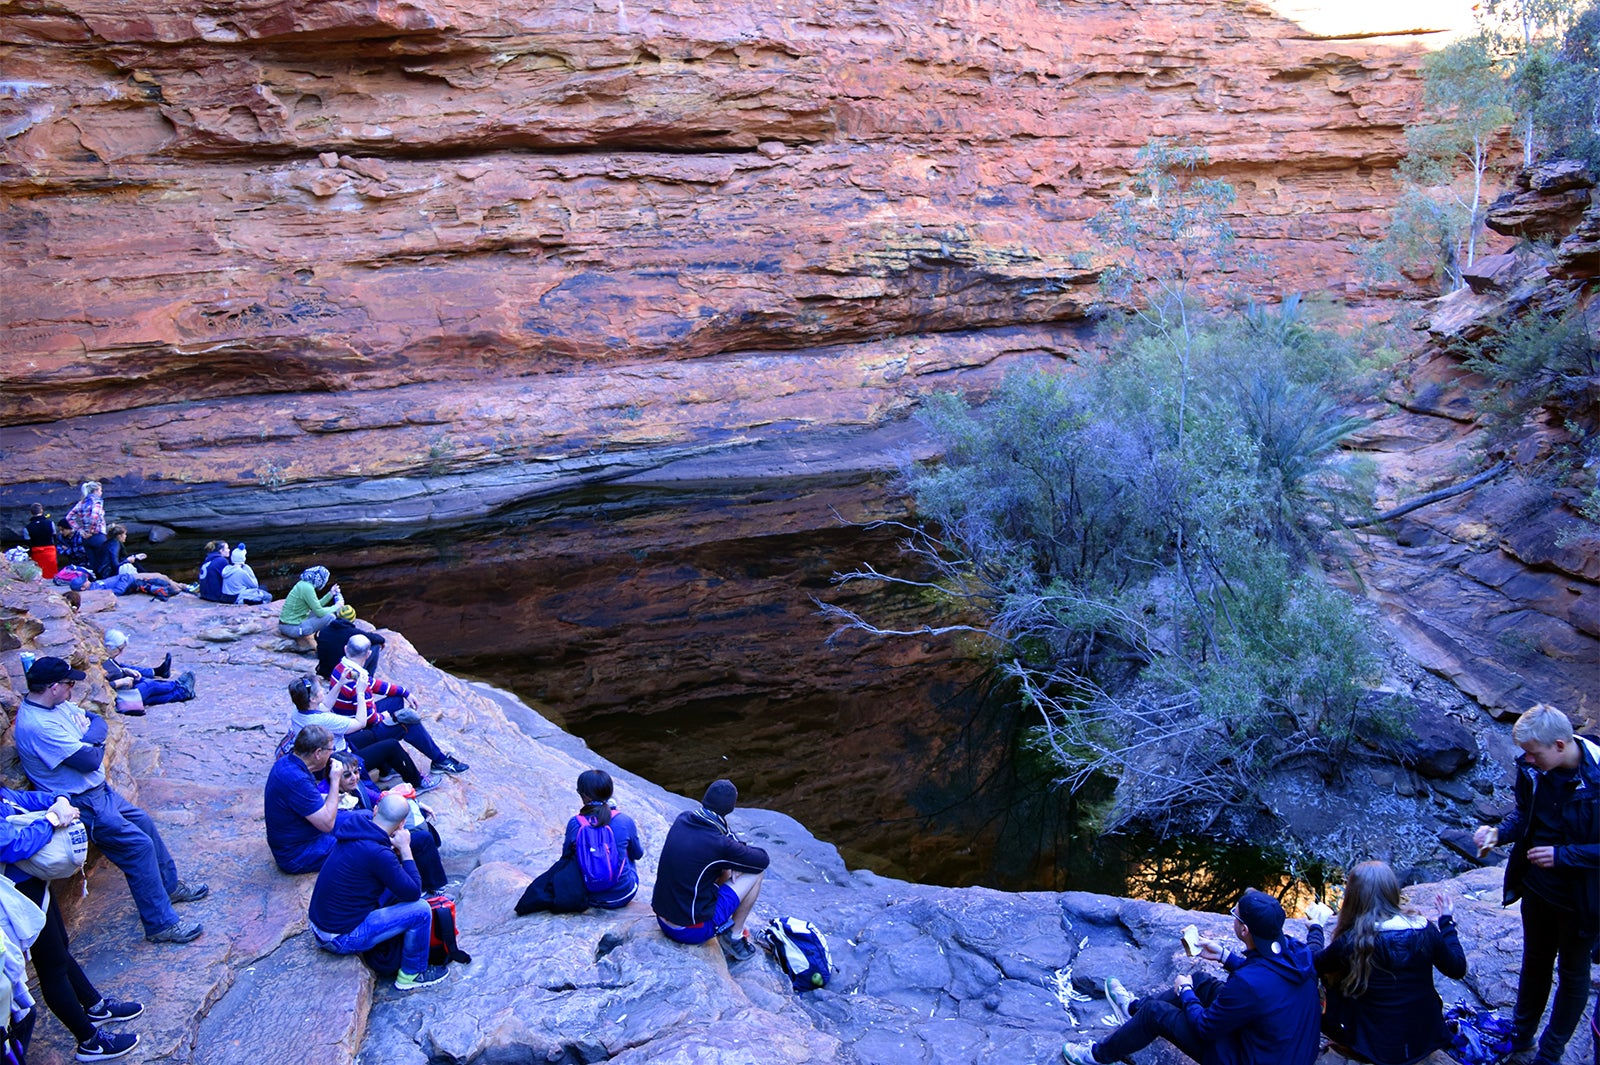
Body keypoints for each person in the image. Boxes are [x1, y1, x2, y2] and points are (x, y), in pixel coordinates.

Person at [14, 657, 207, 944]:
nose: (72, 690)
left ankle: (169, 887)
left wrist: (91, 735)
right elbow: (90, 759)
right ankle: (160, 924)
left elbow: (95, 721)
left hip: (99, 791)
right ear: (52, 687)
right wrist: (92, 737)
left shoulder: (57, 705)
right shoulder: (38, 726)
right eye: (68, 684)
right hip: (83, 802)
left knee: (143, 823)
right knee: (137, 848)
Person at [1061, 888, 1321, 1065]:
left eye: (1235, 915)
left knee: (1156, 1013)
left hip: (1251, 1058)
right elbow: (1268, 980)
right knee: (1201, 981)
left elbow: (1206, 1028)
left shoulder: (1248, 983)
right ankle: (1133, 1009)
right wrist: (1224, 956)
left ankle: (1097, 1056)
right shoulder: (1298, 953)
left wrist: (1185, 992)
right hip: (1283, 1050)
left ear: (1244, 929)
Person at [1472, 703, 1600, 1065]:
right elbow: (1525, 815)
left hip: (1582, 898)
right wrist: (1498, 833)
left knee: (1573, 973)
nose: (1527, 760)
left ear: (1560, 745)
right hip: (1538, 889)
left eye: (1533, 753)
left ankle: (1550, 1052)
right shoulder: (1534, 770)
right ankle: (1522, 1033)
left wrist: (1563, 856)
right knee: (1536, 960)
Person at [0, 786, 141, 1061]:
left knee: (60, 949)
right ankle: (90, 1042)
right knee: (51, 966)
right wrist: (51, 821)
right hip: (15, 895)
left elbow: (28, 799)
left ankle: (95, 1007)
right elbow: (10, 846)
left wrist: (60, 800)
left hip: (32, 884)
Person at [1312, 861, 1467, 1065]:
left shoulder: (1351, 941)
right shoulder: (1424, 930)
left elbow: (1313, 964)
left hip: (1370, 1045)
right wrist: (1446, 921)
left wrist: (1315, 927)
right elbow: (1457, 968)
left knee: (1321, 982)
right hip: (1421, 1038)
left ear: (1353, 897)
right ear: (1392, 891)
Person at [306, 792, 449, 991]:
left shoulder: (356, 827)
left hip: (320, 924)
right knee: (421, 910)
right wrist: (405, 848)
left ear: (375, 810)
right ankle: (412, 974)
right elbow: (413, 892)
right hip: (341, 937)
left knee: (394, 890)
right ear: (402, 823)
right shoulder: (379, 854)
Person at [651, 779, 768, 962]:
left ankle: (722, 920)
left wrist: (733, 857)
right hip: (690, 931)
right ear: (731, 807)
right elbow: (762, 860)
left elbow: (729, 840)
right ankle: (734, 937)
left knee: (724, 867)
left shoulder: (683, 819)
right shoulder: (718, 844)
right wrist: (736, 860)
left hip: (662, 918)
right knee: (755, 873)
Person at [329, 635, 469, 776]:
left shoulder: (342, 668)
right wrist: (383, 716)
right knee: (408, 723)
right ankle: (440, 761)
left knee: (396, 700)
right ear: (368, 654)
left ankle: (386, 762)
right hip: (358, 733)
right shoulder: (358, 683)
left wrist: (404, 692)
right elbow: (369, 719)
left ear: (346, 649)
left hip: (350, 724)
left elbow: (374, 684)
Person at [283, 675, 435, 793]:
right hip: (339, 762)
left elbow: (325, 705)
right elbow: (360, 723)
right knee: (391, 746)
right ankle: (417, 782)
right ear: (313, 698)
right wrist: (360, 693)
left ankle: (386, 770)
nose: (323, 689)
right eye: (320, 689)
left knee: (371, 735)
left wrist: (340, 683)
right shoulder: (324, 720)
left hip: (332, 753)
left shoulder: (298, 711)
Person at [327, 750, 447, 892]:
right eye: (347, 775)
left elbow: (382, 797)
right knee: (422, 839)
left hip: (372, 835)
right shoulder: (328, 798)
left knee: (419, 820)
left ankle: (430, 881)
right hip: (361, 848)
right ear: (333, 776)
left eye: (356, 772)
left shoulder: (356, 787)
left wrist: (416, 803)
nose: (354, 777)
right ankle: (427, 888)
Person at [264, 726, 349, 875]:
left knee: (364, 817)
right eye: (331, 750)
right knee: (361, 847)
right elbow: (327, 824)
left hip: (305, 835)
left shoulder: (288, 762)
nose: (332, 753)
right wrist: (335, 780)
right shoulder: (296, 779)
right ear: (318, 753)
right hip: (298, 853)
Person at [563, 769, 644, 909]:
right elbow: (638, 854)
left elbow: (565, 856)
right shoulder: (624, 820)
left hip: (588, 896)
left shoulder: (575, 823)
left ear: (585, 796)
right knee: (626, 852)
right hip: (622, 895)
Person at [102, 629, 194, 707]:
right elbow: (101, 687)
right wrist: (122, 681)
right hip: (121, 700)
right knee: (150, 685)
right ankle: (177, 685)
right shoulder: (101, 663)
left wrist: (125, 671)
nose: (121, 653)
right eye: (119, 649)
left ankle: (183, 693)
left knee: (151, 698)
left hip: (124, 697)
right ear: (109, 646)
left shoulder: (106, 659)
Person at [316, 604, 384, 681]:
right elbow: (378, 639)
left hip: (325, 672)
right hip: (345, 674)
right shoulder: (352, 633)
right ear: (353, 619)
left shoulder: (324, 630)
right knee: (376, 646)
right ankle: (368, 679)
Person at [278, 566, 342, 647]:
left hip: (288, 624)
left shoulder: (303, 584)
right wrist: (337, 606)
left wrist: (330, 594)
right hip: (292, 628)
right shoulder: (308, 588)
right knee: (330, 617)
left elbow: (316, 606)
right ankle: (323, 642)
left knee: (326, 611)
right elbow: (319, 612)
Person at [64, 482, 110, 579]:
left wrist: (80, 530)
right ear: (96, 491)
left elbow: (69, 517)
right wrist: (91, 531)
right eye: (100, 490)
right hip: (97, 536)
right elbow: (94, 517)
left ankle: (94, 582)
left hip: (85, 538)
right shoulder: (97, 502)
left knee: (92, 562)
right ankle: (105, 582)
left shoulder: (81, 503)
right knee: (103, 561)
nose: (101, 492)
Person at [25, 503, 57, 579]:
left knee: (39, 573)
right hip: (50, 551)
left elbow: (28, 543)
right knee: (52, 572)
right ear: (42, 510)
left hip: (36, 553)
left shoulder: (27, 527)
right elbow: (54, 536)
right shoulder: (50, 523)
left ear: (31, 512)